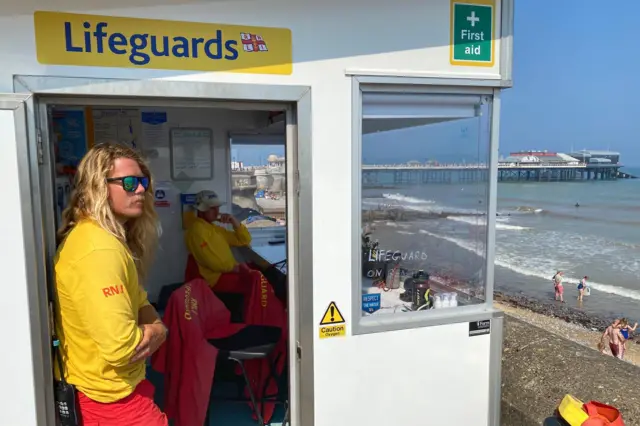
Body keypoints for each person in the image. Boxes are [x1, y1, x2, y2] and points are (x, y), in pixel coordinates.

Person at [55, 142, 168, 425]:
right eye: (129, 182)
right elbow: (123, 349)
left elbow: (139, 300)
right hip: (110, 402)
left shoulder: (105, 239)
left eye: (143, 181)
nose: (141, 189)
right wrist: (158, 330)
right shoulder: (99, 251)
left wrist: (149, 323)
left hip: (120, 392)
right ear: (98, 186)